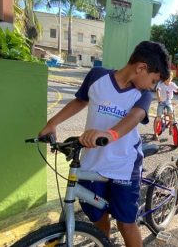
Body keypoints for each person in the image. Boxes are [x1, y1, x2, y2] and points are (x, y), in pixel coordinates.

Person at [39, 41, 170, 247]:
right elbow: (80, 101)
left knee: (126, 223)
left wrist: (110, 134)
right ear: (141, 68)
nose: (153, 87)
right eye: (153, 81)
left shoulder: (142, 94)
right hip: (92, 162)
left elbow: (136, 116)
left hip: (124, 165)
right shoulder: (97, 76)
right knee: (98, 221)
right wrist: (52, 123)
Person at [153, 71, 178, 140]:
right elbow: (158, 90)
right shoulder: (160, 84)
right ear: (164, 78)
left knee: (171, 114)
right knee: (158, 118)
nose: (168, 79)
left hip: (168, 102)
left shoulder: (172, 84)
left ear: (172, 78)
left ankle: (171, 128)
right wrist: (159, 98)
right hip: (161, 102)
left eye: (170, 77)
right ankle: (155, 133)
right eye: (167, 78)